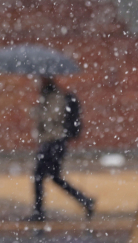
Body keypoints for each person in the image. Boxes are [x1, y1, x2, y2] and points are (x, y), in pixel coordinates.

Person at [27, 76, 95, 222]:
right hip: (51, 142)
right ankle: (85, 201)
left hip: (54, 142)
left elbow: (51, 118)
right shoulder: (47, 97)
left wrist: (38, 112)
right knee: (53, 177)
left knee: (39, 176)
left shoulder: (55, 97)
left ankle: (39, 212)